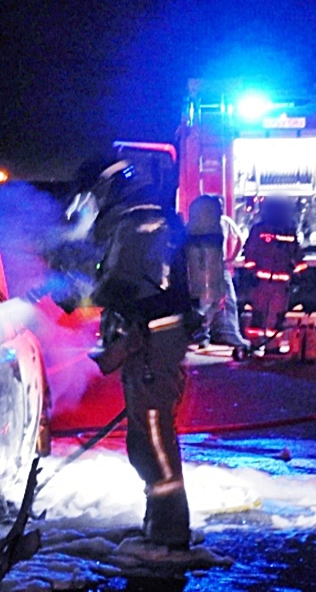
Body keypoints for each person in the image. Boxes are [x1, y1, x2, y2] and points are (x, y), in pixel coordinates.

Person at [86, 160, 194, 551]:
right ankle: (158, 520)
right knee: (144, 434)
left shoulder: (137, 224)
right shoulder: (148, 220)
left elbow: (118, 283)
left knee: (152, 432)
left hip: (151, 340)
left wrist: (84, 289)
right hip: (148, 338)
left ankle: (169, 527)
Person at [185, 195, 250, 351]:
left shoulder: (194, 227)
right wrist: (230, 258)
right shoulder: (219, 224)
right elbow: (239, 238)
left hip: (204, 269)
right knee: (221, 301)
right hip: (217, 267)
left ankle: (203, 335)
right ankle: (225, 334)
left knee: (205, 303)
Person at [242, 197, 304, 349]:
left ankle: (272, 346)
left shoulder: (286, 231)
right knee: (259, 316)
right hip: (264, 283)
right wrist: (251, 273)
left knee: (276, 317)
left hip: (277, 285)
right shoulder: (261, 230)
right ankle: (255, 346)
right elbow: (250, 254)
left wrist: (298, 276)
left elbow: (297, 256)